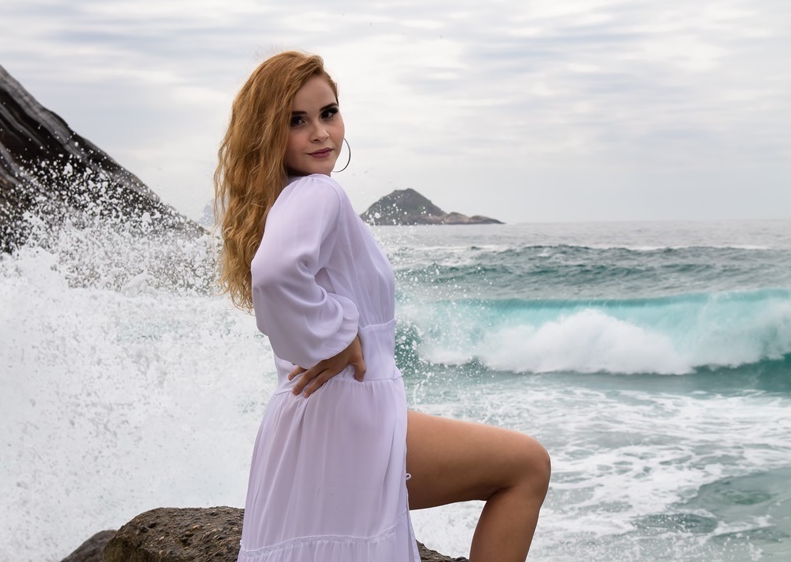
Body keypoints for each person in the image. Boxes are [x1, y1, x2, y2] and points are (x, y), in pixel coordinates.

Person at [215, 51, 550, 562]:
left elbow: (279, 283)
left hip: (305, 425)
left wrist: (326, 335)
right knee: (527, 466)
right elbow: (277, 274)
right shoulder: (318, 194)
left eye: (328, 113)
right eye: (296, 121)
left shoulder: (283, 199)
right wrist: (338, 334)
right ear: (268, 134)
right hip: (350, 419)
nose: (321, 132)